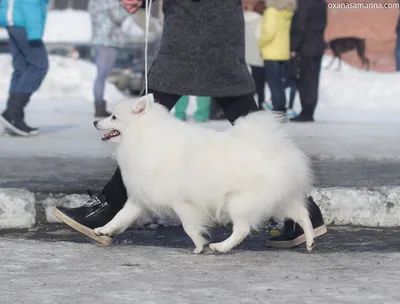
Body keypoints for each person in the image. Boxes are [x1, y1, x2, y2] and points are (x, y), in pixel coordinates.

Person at [54, 0, 326, 249]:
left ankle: (109, 205)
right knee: (233, 106)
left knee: (153, 105)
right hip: (206, 16)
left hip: (198, 18)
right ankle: (303, 208)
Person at [0, 0, 49, 136]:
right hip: (24, 20)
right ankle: (12, 113)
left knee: (21, 68)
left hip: (14, 19)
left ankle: (13, 118)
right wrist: (34, 32)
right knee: (39, 66)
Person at [88, 0, 130, 118]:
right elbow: (118, 16)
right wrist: (129, 9)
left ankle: (99, 106)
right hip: (108, 40)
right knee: (102, 75)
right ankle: (99, 107)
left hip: (98, 39)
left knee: (101, 75)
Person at [289, 0, 327, 122]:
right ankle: (309, 111)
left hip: (306, 46)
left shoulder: (304, 3)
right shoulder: (321, 3)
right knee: (313, 80)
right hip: (318, 44)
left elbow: (299, 26)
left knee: (306, 80)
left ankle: (306, 112)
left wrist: (293, 46)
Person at [258, 0, 297, 117]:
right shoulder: (287, 12)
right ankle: (281, 110)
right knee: (279, 83)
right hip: (283, 52)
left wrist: (260, 43)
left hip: (271, 52)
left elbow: (269, 33)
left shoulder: (271, 11)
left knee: (273, 84)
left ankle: (277, 110)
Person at [243, 0, 265, 108]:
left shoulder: (242, 19)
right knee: (259, 83)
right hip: (257, 55)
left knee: (246, 83)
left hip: (245, 54)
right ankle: (260, 104)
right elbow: (260, 36)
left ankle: (247, 105)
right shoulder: (260, 20)